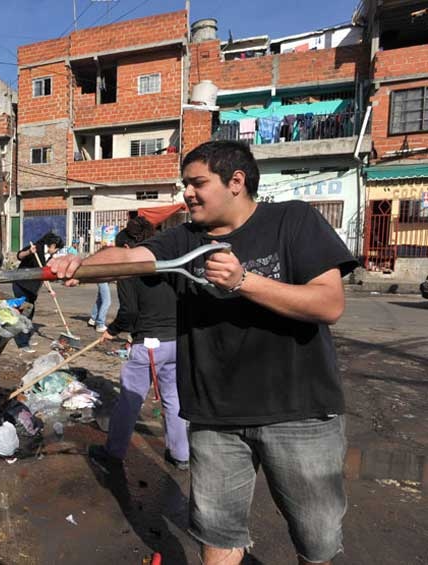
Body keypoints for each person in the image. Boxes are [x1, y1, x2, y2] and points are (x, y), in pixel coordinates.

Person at [48, 140, 357, 565]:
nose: (186, 193)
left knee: (316, 539)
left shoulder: (294, 220)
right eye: (184, 184)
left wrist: (243, 281)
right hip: (215, 417)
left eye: (197, 183)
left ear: (236, 182)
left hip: (299, 413)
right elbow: (134, 257)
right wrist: (83, 264)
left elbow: (329, 304)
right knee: (217, 534)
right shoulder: (183, 239)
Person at [89, 217, 188, 471]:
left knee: (130, 399)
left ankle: (114, 453)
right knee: (173, 397)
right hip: (175, 341)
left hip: (150, 345)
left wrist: (112, 331)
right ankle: (181, 455)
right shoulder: (167, 262)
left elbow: (129, 312)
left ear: (126, 248)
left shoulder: (129, 270)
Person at [12, 232, 63, 353]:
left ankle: (26, 337)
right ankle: (22, 343)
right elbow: (19, 255)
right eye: (56, 249)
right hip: (21, 285)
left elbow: (44, 274)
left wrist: (50, 290)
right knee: (25, 313)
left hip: (33, 288)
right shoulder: (36, 247)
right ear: (52, 245)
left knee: (30, 313)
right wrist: (29, 252)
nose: (56, 252)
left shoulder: (49, 256)